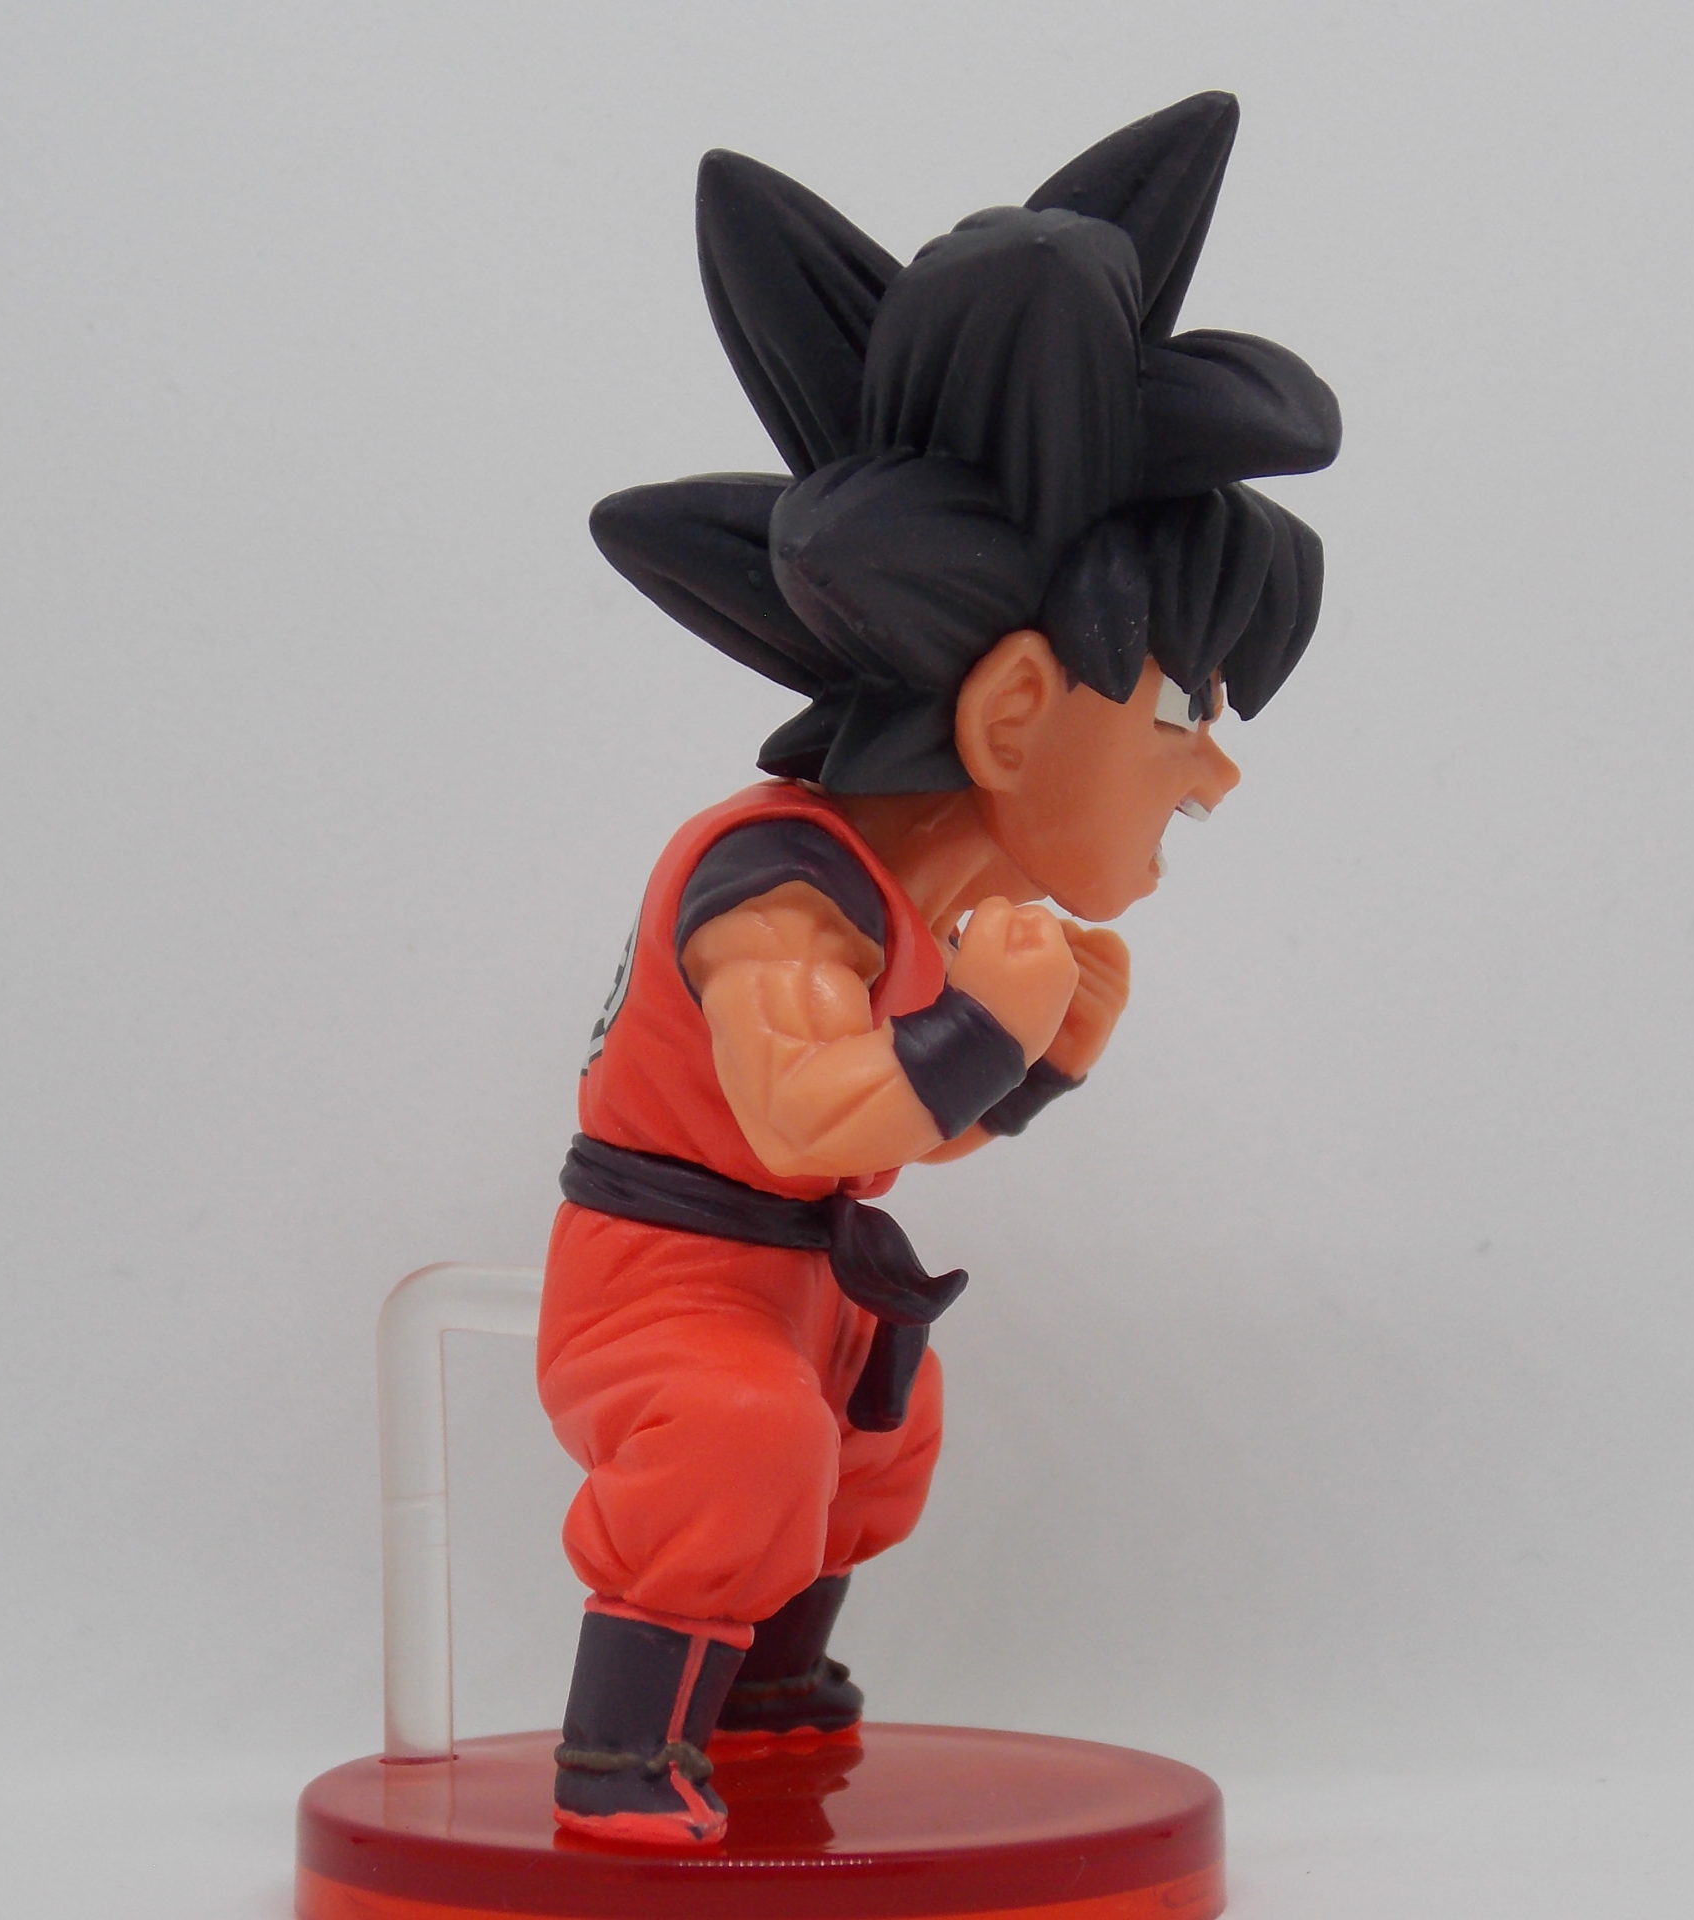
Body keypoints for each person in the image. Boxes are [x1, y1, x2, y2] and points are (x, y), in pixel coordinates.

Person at [541, 91, 1341, 1847]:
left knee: (874, 1436)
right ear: (1014, 713)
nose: (1214, 770)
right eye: (1182, 709)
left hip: (802, 1268)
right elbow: (802, 1113)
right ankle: (615, 1756)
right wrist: (986, 1026)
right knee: (739, 1441)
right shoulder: (771, 885)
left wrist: (1031, 1061)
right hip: (663, 1275)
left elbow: (916, 1128)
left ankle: (763, 1692)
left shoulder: (930, 897)